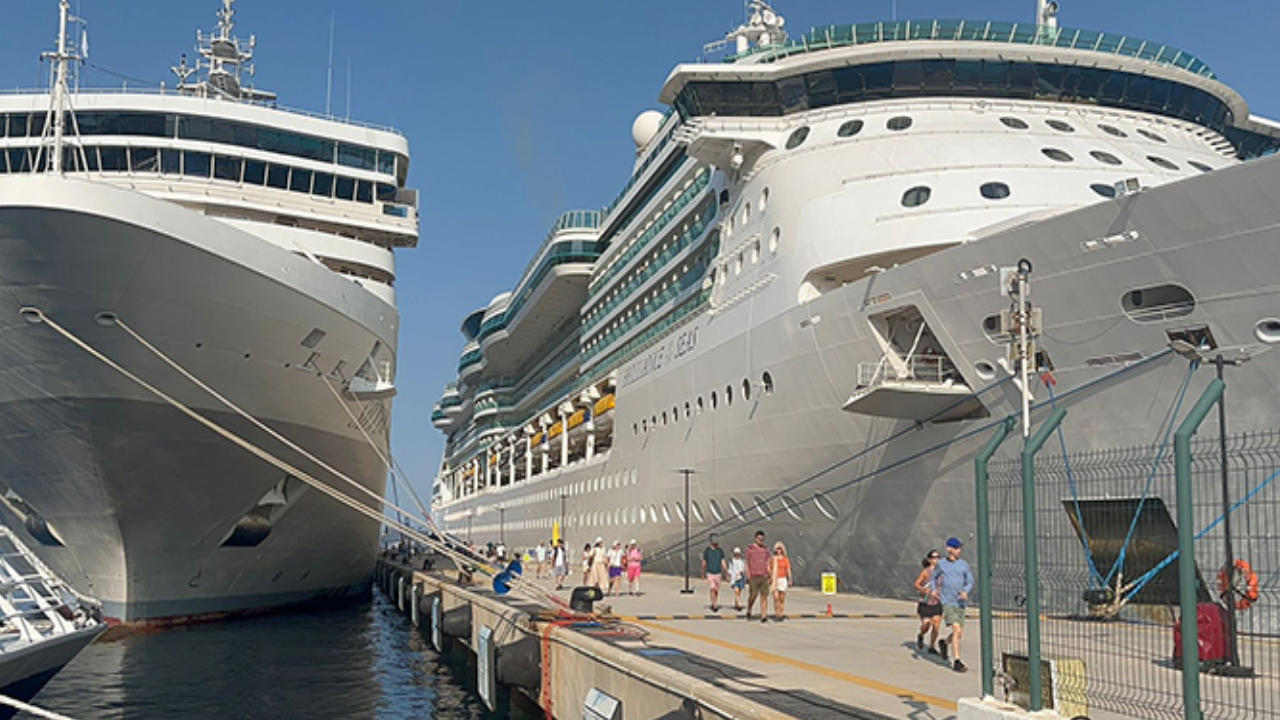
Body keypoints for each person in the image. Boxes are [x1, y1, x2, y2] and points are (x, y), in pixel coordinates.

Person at [934, 537, 973, 672]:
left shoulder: (964, 565)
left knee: (959, 633)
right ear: (949, 549)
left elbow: (970, 581)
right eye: (956, 548)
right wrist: (934, 590)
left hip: (960, 602)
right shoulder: (941, 564)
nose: (959, 551)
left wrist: (965, 591)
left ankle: (944, 643)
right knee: (956, 629)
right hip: (947, 601)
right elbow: (934, 577)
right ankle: (957, 661)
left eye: (960, 548)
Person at [914, 550, 943, 655]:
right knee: (926, 624)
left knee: (936, 624)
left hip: (937, 601)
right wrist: (925, 590)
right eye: (934, 557)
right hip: (926, 602)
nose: (936, 559)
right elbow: (916, 584)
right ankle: (921, 635)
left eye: (938, 557)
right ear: (930, 559)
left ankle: (932, 645)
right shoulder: (926, 572)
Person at [744, 530, 771, 622]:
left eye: (762, 539)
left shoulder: (765, 550)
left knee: (764, 595)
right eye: (759, 539)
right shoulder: (750, 549)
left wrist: (769, 574)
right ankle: (749, 609)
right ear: (755, 538)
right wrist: (748, 574)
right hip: (753, 575)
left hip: (763, 575)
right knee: (753, 595)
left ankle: (764, 615)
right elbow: (747, 562)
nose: (761, 541)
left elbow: (767, 562)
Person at [700, 534, 727, 612]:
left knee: (716, 589)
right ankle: (714, 604)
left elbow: (723, 561)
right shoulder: (707, 551)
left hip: (718, 572)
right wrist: (702, 572)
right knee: (712, 588)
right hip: (710, 572)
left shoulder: (720, 551)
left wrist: (726, 571)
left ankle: (714, 601)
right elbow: (704, 562)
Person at [771, 541, 793, 622]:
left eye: (780, 549)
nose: (779, 551)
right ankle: (777, 613)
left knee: (782, 598)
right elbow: (770, 569)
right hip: (775, 579)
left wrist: (790, 579)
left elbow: (788, 569)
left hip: (783, 579)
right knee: (776, 598)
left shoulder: (785, 559)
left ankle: (781, 614)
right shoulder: (773, 559)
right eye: (777, 549)